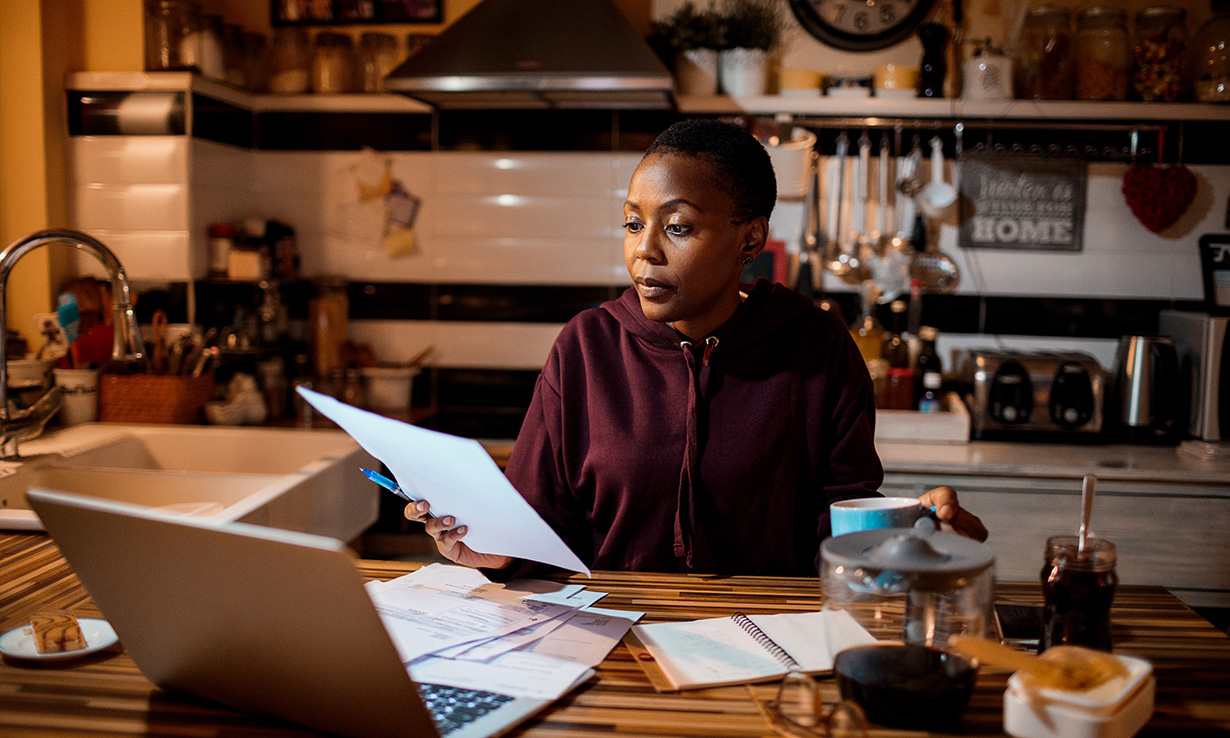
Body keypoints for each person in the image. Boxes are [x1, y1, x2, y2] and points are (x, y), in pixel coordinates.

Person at [406, 119, 987, 577]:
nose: (645, 252)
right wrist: (494, 552)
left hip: (771, 640)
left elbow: (842, 528)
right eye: (634, 224)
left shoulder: (816, 346)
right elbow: (542, 522)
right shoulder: (586, 347)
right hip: (612, 640)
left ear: (751, 238)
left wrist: (915, 533)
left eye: (677, 227)